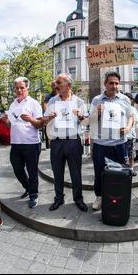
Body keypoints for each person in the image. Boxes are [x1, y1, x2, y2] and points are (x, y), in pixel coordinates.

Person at [88, 71, 133, 211]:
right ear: (105, 84)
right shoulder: (97, 100)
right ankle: (100, 197)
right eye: (111, 83)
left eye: (116, 83)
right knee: (99, 172)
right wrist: (97, 112)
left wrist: (127, 127)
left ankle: (120, 196)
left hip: (120, 144)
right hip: (101, 144)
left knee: (121, 172)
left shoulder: (125, 99)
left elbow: (131, 116)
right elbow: (90, 121)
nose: (114, 86)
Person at [44, 73, 88, 212]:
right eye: (56, 82)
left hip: (73, 142)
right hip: (56, 142)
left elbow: (86, 122)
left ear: (68, 85)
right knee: (57, 173)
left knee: (76, 173)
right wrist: (49, 117)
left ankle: (78, 198)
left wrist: (80, 116)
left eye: (59, 82)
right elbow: (45, 121)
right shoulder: (52, 101)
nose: (55, 85)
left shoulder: (79, 102)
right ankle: (59, 198)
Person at [6, 77, 44, 208]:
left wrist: (30, 119)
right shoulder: (13, 104)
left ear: (27, 88)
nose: (19, 90)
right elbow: (10, 123)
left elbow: (40, 124)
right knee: (17, 168)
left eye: (22, 87)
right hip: (15, 143)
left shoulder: (33, 103)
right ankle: (28, 187)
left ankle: (33, 195)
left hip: (31, 144)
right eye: (17, 88)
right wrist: (7, 120)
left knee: (32, 171)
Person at [124, 93, 138, 176]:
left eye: (128, 99)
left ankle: (131, 169)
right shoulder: (119, 108)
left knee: (131, 154)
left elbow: (137, 122)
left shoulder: (133, 109)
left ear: (131, 100)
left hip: (130, 135)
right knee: (124, 154)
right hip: (121, 136)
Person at [42, 81, 57, 149]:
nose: (54, 86)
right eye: (53, 85)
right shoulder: (48, 96)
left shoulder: (62, 95)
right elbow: (45, 106)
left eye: (55, 85)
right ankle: (50, 146)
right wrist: (49, 113)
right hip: (51, 119)